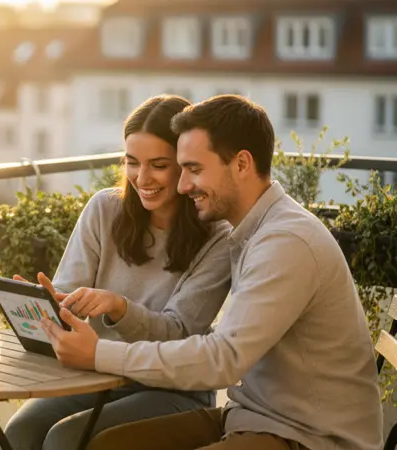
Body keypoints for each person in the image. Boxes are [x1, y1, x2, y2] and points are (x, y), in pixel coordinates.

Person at [38, 95, 383, 450]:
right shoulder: (253, 232)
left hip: (310, 437)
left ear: (242, 164)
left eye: (195, 170)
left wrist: (99, 353)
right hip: (248, 416)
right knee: (101, 445)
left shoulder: (286, 242)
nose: (184, 186)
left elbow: (224, 358)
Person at [2, 94, 234, 450]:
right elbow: (70, 290)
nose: (142, 178)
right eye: (132, 162)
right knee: (20, 431)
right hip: (97, 375)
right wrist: (50, 304)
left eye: (158, 164)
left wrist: (118, 306)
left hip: (172, 388)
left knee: (65, 440)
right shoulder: (104, 210)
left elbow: (179, 333)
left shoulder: (217, 237)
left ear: (185, 166)